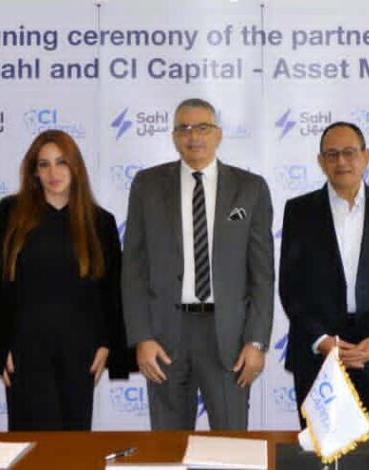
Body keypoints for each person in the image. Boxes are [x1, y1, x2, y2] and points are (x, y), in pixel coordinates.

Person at [0, 129, 131, 430]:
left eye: (61, 162)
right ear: (34, 172)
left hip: (80, 351)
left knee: (72, 445)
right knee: (31, 444)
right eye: (44, 164)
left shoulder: (100, 222)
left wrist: (108, 344)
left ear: (75, 167)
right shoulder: (10, 213)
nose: (53, 173)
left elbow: (113, 292)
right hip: (25, 349)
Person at [122, 98, 273, 430]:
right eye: (184, 128)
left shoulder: (250, 188)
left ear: (218, 134)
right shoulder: (147, 185)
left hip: (229, 338)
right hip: (165, 336)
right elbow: (133, 269)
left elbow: (262, 276)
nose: (193, 136)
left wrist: (256, 341)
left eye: (203, 127)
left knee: (231, 443)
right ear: (174, 136)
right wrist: (141, 337)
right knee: (169, 444)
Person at [279, 121, 369, 430]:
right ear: (321, 161)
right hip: (318, 351)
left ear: (366, 156)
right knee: (318, 447)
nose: (341, 161)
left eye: (349, 152)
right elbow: (291, 286)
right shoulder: (299, 211)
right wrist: (322, 340)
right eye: (332, 154)